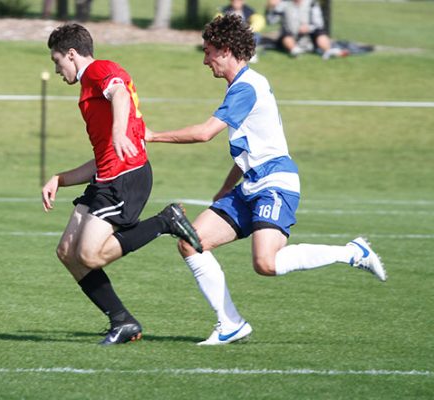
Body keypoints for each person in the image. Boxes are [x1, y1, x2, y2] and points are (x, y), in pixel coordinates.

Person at [145, 14, 386, 345]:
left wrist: (152, 136)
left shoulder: (246, 87)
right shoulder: (241, 86)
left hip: (275, 183)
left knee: (266, 263)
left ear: (226, 50)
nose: (204, 60)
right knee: (191, 242)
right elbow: (250, 146)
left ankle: (351, 252)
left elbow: (204, 134)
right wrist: (225, 189)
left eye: (209, 51)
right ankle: (230, 323)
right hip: (249, 185)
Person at [43, 23, 202, 345]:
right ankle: (123, 321)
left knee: (90, 255)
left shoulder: (100, 70)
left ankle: (165, 221)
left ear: (71, 54)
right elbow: (101, 157)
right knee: (66, 252)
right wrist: (61, 178)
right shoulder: (88, 87)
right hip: (107, 176)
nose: (57, 70)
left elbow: (119, 93)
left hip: (127, 177)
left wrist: (118, 132)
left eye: (57, 61)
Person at [266, 0, 345, 59]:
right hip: (290, 35)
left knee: (320, 33)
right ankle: (294, 50)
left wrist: (308, 27)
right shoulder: (283, 4)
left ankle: (328, 51)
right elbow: (271, 21)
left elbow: (319, 24)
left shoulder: (311, 3)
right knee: (285, 35)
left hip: (309, 36)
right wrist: (271, 7)